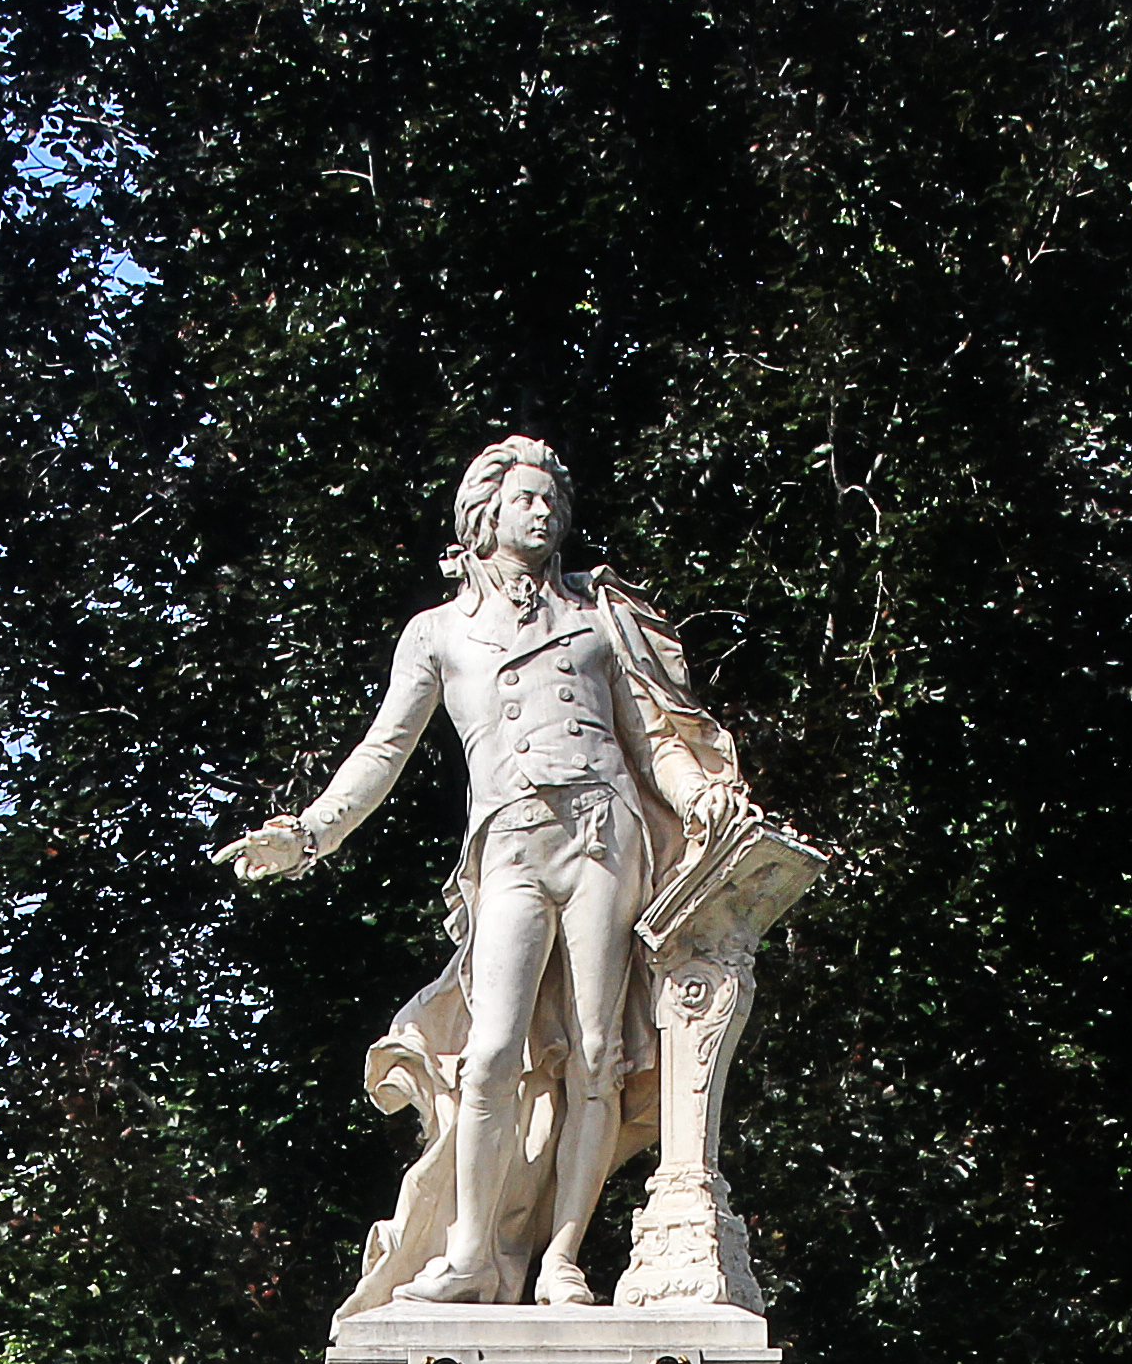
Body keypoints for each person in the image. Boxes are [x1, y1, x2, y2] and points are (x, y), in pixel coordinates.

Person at [221, 437, 763, 1308]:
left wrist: (700, 793)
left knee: (597, 1052)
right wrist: (309, 832)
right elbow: (382, 750)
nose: (543, 513)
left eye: (552, 500)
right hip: (509, 844)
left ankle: (561, 1260)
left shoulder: (599, 619)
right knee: (489, 1053)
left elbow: (654, 736)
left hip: (602, 833)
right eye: (525, 499)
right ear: (486, 513)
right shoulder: (438, 633)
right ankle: (470, 1253)